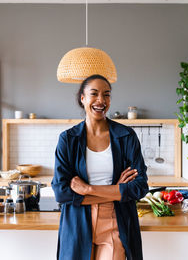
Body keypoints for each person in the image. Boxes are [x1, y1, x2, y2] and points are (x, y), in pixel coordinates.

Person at [52, 74, 149, 260]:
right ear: (83, 98)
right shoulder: (68, 139)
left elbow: (139, 187)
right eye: (94, 94)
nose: (101, 100)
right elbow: (62, 193)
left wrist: (88, 189)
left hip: (116, 222)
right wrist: (116, 191)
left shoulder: (126, 136)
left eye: (106, 94)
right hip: (77, 222)